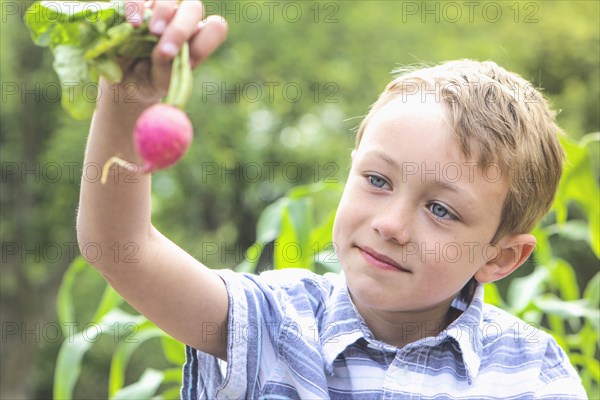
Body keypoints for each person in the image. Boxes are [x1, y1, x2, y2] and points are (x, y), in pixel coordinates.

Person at [76, 1, 587, 399]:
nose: (392, 225)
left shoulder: (533, 371)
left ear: (501, 257)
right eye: (378, 180)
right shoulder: (273, 323)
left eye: (441, 210)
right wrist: (128, 96)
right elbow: (122, 248)